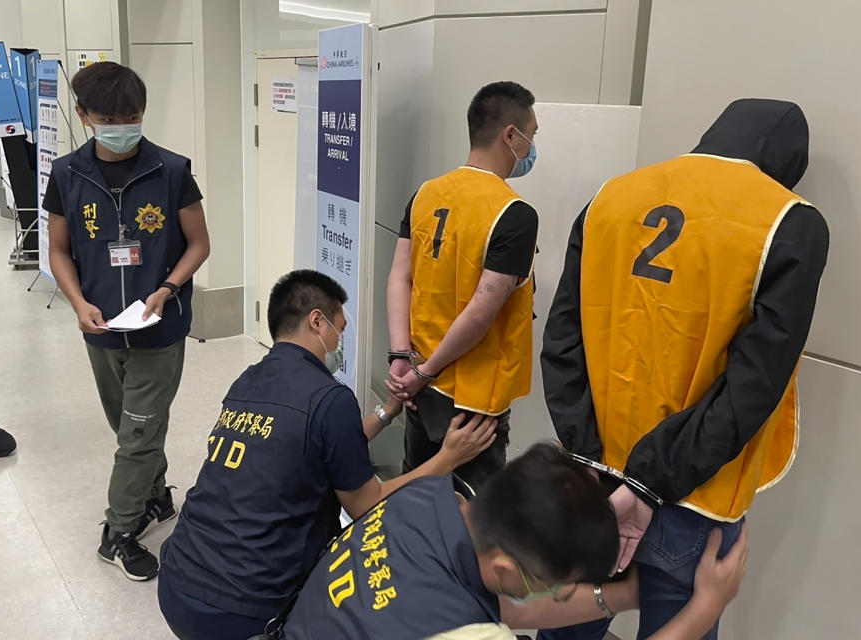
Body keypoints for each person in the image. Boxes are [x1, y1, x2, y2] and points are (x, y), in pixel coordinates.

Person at [538, 99, 830, 640]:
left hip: (591, 475)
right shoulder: (789, 222)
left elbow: (561, 342)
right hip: (694, 495)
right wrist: (649, 482)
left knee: (564, 625)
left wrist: (590, 456)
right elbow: (752, 385)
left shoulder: (611, 196)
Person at [157, 270, 497, 640]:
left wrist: (385, 414)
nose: (340, 341)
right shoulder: (329, 397)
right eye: (340, 328)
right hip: (246, 612)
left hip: (176, 584)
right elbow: (367, 505)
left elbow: (316, 446)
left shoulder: (248, 380)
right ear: (316, 321)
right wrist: (447, 457)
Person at [275, 443, 749, 640]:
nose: (561, 593)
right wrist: (701, 613)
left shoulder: (423, 497)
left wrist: (626, 594)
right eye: (559, 585)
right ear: (505, 569)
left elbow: (511, 607)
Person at [45, 62, 210, 581]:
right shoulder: (67, 174)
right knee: (128, 424)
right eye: (109, 117)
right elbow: (58, 249)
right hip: (99, 327)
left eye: (132, 115)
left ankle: (117, 532)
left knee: (137, 433)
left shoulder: (172, 171)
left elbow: (199, 244)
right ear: (83, 115)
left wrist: (166, 289)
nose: (123, 125)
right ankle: (156, 495)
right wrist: (77, 303)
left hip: (159, 326)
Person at [386, 81, 540, 492]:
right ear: (511, 135)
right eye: (532, 135)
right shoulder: (515, 214)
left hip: (419, 386)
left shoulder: (425, 194)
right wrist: (424, 370)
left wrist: (403, 358)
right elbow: (480, 312)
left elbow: (400, 276)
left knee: (413, 493)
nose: (531, 148)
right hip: (473, 399)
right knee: (470, 514)